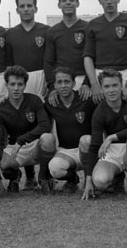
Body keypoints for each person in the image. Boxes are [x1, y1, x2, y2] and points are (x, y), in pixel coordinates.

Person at [81, 69, 127, 203]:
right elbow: (94, 146)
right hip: (113, 151)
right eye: (106, 86)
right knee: (100, 181)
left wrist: (111, 137)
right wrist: (88, 180)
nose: (111, 90)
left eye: (115, 85)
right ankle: (117, 178)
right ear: (102, 89)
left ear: (121, 86)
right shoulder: (99, 111)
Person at [4, 0, 50, 190]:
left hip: (41, 79)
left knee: (43, 126)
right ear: (17, 10)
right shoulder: (10, 34)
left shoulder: (46, 31)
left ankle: (45, 175)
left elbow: (51, 58)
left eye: (29, 5)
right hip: (20, 81)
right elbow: (8, 63)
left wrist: (49, 80)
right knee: (22, 125)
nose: (26, 9)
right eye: (22, 6)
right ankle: (28, 176)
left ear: (35, 8)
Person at [0, 66, 51, 193]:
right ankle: (15, 176)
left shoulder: (34, 100)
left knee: (48, 139)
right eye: (12, 84)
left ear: (25, 85)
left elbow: (45, 126)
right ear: (6, 85)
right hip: (15, 150)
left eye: (20, 84)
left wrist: (21, 140)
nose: (16, 88)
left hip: (35, 146)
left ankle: (44, 178)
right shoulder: (0, 109)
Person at [39, 66, 95, 194]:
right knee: (55, 169)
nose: (63, 85)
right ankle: (73, 179)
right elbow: (36, 112)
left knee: (86, 140)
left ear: (74, 83)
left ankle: (90, 180)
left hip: (87, 149)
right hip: (67, 152)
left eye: (67, 82)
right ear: (55, 85)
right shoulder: (51, 102)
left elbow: (106, 106)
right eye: (59, 82)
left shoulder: (86, 98)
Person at [83, 0, 127, 103]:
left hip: (124, 73)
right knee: (101, 112)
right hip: (100, 74)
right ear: (100, 1)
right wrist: (94, 83)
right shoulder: (93, 25)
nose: (109, 1)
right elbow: (88, 56)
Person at [43, 0, 91, 103]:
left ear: (77, 3)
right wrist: (52, 87)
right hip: (62, 82)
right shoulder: (52, 31)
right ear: (59, 4)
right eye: (64, 0)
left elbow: (94, 58)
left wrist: (87, 83)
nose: (68, 2)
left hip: (83, 80)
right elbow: (48, 63)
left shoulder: (88, 28)